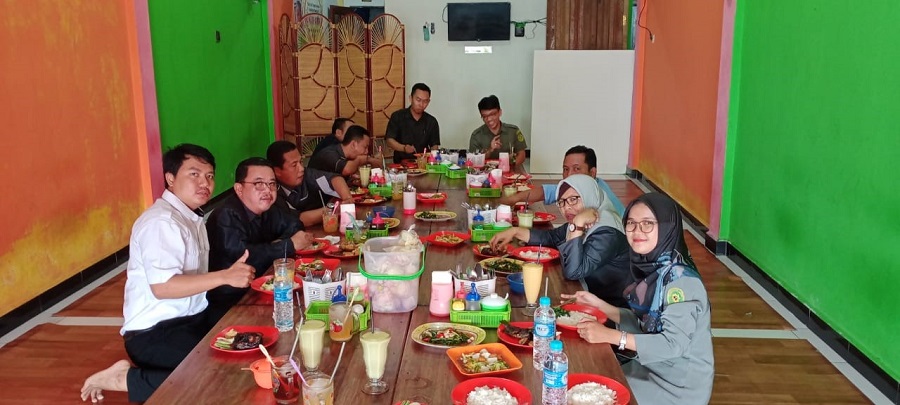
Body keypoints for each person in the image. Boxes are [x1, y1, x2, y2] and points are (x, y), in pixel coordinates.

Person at [80, 144, 255, 403]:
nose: (204, 183)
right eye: (194, 174)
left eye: (209, 175)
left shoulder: (191, 217)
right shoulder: (162, 222)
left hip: (192, 318)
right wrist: (224, 276)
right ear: (170, 178)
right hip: (154, 332)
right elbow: (163, 287)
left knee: (245, 349)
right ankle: (124, 379)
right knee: (216, 377)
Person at [561, 192, 713, 404]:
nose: (637, 231)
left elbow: (672, 344)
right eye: (631, 223)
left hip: (677, 386)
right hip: (648, 367)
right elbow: (647, 324)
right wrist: (599, 305)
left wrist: (611, 336)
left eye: (647, 223)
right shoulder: (651, 267)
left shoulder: (681, 282)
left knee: (586, 393)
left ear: (667, 227)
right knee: (581, 382)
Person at [490, 174, 631, 307]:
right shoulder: (587, 217)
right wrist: (515, 231)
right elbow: (552, 237)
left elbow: (573, 272)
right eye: (561, 202)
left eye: (573, 199)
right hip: (586, 294)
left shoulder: (606, 232)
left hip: (610, 308)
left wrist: (578, 223)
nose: (566, 207)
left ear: (588, 195)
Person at [205, 157, 314, 322]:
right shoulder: (226, 216)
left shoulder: (266, 207)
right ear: (239, 189)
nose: (267, 190)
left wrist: (278, 245)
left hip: (263, 290)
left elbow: (295, 225)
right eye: (259, 184)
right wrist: (287, 245)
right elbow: (246, 257)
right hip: (232, 303)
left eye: (272, 184)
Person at [498, 145, 625, 214]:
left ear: (592, 172)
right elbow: (545, 192)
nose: (569, 175)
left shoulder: (594, 195)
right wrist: (513, 199)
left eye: (576, 169)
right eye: (565, 169)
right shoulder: (582, 187)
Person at [267, 141, 353, 227]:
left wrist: (347, 198)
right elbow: (300, 219)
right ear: (277, 171)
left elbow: (334, 179)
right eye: (294, 165)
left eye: (300, 162)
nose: (301, 168)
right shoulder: (271, 192)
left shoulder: (305, 174)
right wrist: (333, 209)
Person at [385, 83, 440, 162]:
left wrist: (433, 158)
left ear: (428, 101)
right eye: (418, 100)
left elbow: (434, 145)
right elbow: (389, 140)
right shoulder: (397, 116)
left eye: (425, 101)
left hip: (423, 163)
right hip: (401, 164)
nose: (421, 104)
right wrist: (404, 148)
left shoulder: (431, 121)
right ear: (410, 98)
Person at [468, 95, 527, 166]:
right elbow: (474, 161)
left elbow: (522, 155)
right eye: (485, 116)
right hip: (486, 171)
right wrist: (490, 150)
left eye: (492, 114)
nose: (489, 119)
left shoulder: (513, 131)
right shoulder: (476, 135)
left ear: (500, 112)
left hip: (511, 170)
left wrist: (508, 165)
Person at [311, 118, 384, 169]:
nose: (352, 132)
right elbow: (346, 169)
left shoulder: (341, 146)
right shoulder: (330, 144)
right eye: (349, 130)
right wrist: (368, 159)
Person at [306, 125, 372, 178]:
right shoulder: (329, 153)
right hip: (314, 190)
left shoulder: (348, 156)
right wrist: (359, 160)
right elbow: (346, 170)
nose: (366, 151)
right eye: (365, 147)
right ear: (354, 144)